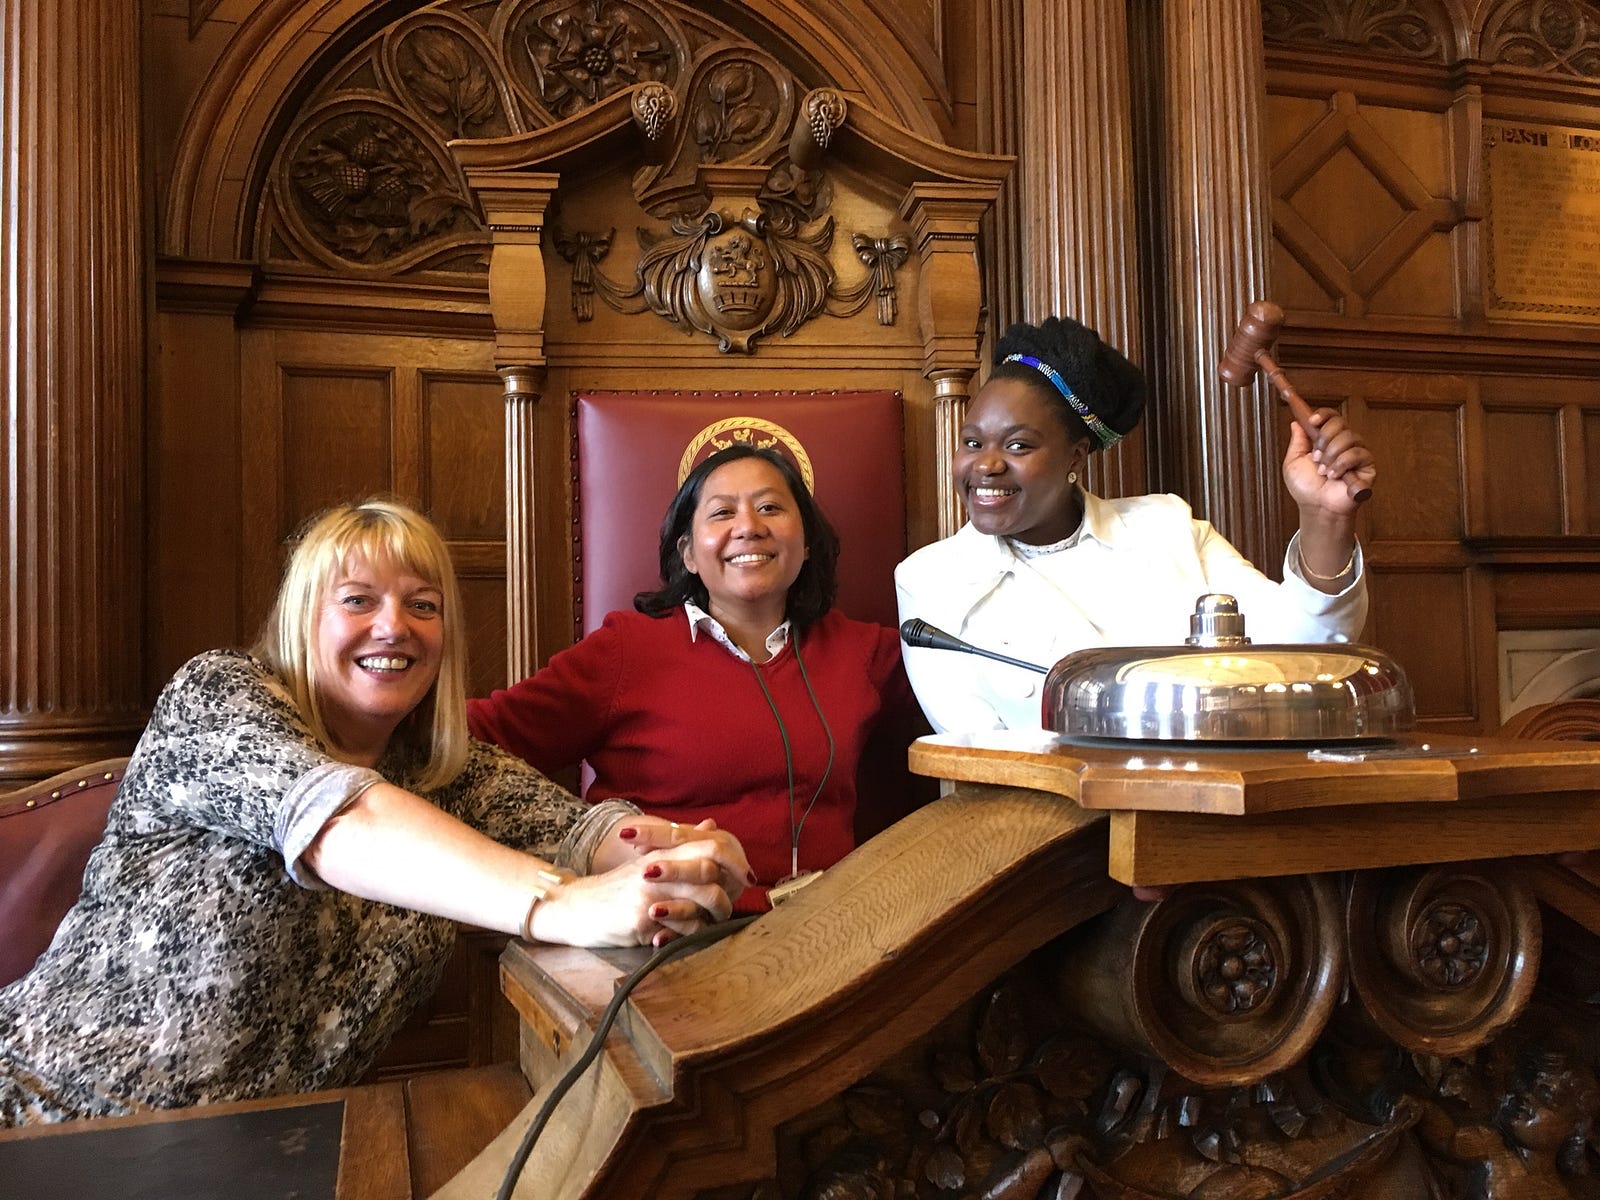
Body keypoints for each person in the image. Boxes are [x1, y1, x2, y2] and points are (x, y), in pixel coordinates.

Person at [0, 499, 750, 1126]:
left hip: (274, 1153)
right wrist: (563, 904)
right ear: (304, 617)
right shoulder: (217, 697)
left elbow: (587, 835)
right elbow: (337, 821)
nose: (395, 627)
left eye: (423, 605)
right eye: (358, 600)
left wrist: (678, 854)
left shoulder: (443, 772)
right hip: (47, 1119)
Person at [468, 445, 923, 911]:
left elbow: (969, 697)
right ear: (687, 553)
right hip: (671, 931)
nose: (749, 526)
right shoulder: (625, 650)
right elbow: (469, 741)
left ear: (806, 543)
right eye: (723, 512)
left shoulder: (864, 651)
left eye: (770, 507)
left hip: (831, 927)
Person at [896, 315, 1376, 733]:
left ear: (1075, 457)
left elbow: (1301, 652)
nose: (986, 465)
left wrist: (1325, 516)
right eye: (972, 443)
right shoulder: (930, 581)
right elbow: (980, 751)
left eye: (1018, 445)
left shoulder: (1168, 528)